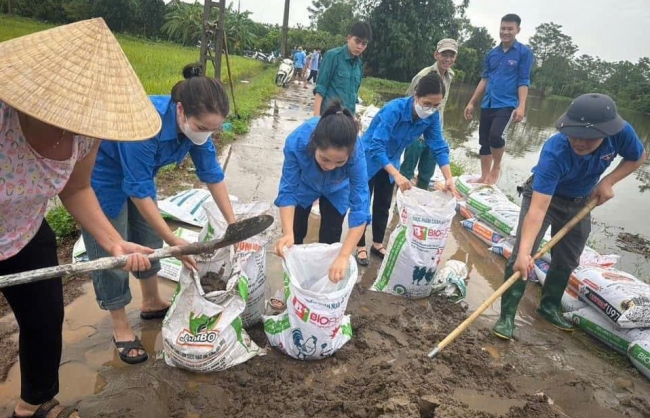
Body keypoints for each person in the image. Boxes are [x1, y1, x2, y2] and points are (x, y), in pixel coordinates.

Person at [0, 18, 158, 418]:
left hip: (25, 231)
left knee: (45, 320)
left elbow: (76, 188)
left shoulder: (86, 130)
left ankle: (31, 405)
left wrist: (112, 242)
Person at [83, 63, 237, 365]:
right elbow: (137, 188)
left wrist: (234, 224)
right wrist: (174, 241)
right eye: (203, 127)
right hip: (104, 177)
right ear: (181, 110)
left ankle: (152, 300)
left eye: (214, 129)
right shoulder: (145, 122)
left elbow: (211, 173)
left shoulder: (196, 131)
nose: (207, 134)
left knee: (148, 238)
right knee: (115, 252)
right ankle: (120, 326)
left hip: (142, 176)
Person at [492, 93, 647, 340]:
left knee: (567, 258)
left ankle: (549, 307)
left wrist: (609, 180)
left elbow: (638, 156)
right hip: (545, 198)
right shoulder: (556, 151)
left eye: (589, 137)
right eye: (574, 133)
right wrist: (524, 254)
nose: (579, 141)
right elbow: (538, 209)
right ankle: (507, 316)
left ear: (607, 133)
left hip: (580, 201)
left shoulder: (621, 133)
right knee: (523, 252)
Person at [355, 72, 458, 265]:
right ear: (416, 96)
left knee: (383, 204)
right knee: (362, 203)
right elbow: (377, 145)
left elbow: (438, 144)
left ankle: (377, 243)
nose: (431, 109)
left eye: (437, 106)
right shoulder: (394, 110)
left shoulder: (431, 117)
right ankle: (360, 245)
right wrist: (398, 175)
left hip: (392, 159)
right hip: (368, 158)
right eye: (427, 103)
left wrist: (448, 177)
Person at [274, 102, 370, 281]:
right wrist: (287, 233)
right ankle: (294, 281)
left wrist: (343, 256)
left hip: (338, 188)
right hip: (305, 185)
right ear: (314, 145)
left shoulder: (357, 153)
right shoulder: (297, 142)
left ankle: (322, 281)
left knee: (331, 239)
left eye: (339, 162)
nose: (330, 166)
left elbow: (360, 208)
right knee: (295, 232)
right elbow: (288, 190)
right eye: (324, 159)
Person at [463, 13, 534, 185]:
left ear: (518, 30)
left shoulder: (524, 53)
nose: (506, 32)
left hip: (507, 104)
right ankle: (483, 176)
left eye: (510, 29)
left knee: (495, 136)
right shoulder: (492, 54)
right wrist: (472, 102)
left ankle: (496, 167)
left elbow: (523, 81)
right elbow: (484, 79)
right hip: (488, 102)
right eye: (503, 28)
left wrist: (521, 106)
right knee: (484, 141)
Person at [400, 38, 459, 190]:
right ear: (436, 55)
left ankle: (419, 203)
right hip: (416, 132)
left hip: (434, 130)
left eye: (451, 55)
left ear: (455, 58)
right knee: (407, 171)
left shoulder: (449, 76)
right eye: (444, 54)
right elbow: (409, 101)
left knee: (427, 173)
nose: (447, 59)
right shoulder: (423, 76)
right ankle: (401, 207)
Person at [314, 21, 372, 116]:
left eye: (364, 44)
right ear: (348, 38)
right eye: (357, 41)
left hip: (346, 122)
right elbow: (320, 89)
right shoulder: (332, 57)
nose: (359, 47)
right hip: (329, 118)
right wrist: (315, 119)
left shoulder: (358, 66)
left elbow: (354, 96)